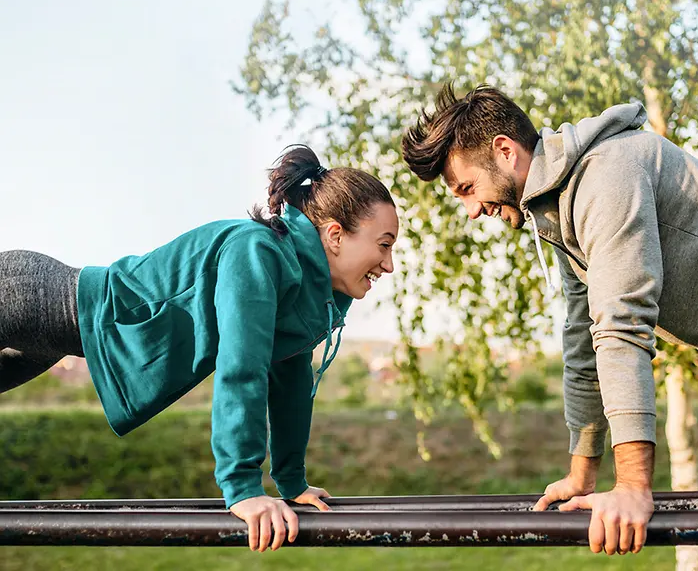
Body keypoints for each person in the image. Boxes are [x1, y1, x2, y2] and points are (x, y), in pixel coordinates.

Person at [401, 83, 698, 556]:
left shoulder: (605, 175)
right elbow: (584, 341)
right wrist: (582, 473)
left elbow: (621, 325)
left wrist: (632, 486)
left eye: (467, 189)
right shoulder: (561, 208)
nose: (471, 211)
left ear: (505, 152)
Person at [0, 145, 399, 552]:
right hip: (32, 298)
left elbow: (291, 382)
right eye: (384, 245)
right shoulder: (257, 251)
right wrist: (243, 488)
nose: (389, 264)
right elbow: (242, 366)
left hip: (51, 331)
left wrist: (292, 482)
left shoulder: (305, 292)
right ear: (335, 235)